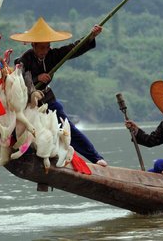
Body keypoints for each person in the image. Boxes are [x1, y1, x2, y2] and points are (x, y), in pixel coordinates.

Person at [11, 17, 107, 166]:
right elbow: (19, 80)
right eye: (41, 47)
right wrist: (38, 77)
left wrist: (91, 36)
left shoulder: (52, 55)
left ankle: (96, 158)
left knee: (68, 127)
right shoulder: (24, 59)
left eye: (46, 47)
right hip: (28, 104)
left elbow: (73, 49)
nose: (44, 51)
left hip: (47, 99)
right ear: (33, 45)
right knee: (16, 129)